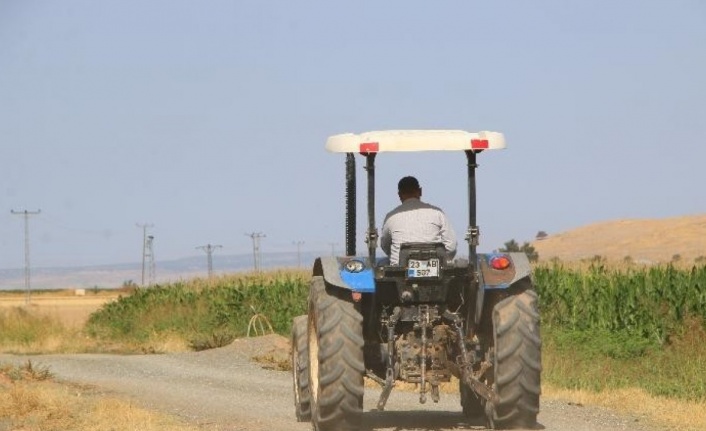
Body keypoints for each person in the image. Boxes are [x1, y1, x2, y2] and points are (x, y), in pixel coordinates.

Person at [380, 176, 457, 265]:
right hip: (435, 269)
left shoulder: (391, 217)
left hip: (400, 271)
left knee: (382, 263)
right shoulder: (437, 213)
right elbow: (451, 246)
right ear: (420, 191)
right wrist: (441, 260)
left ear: (399, 195)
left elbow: (385, 245)